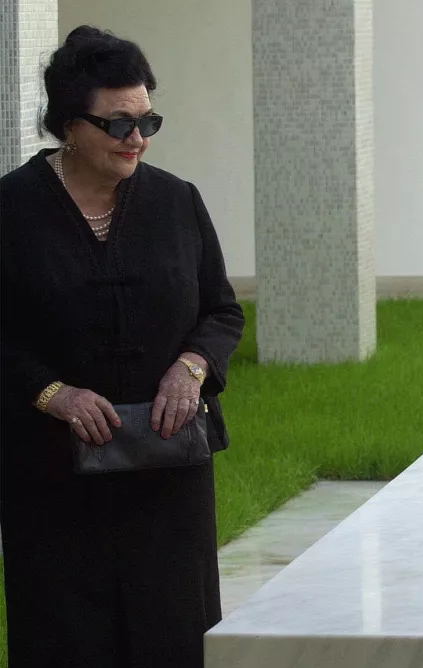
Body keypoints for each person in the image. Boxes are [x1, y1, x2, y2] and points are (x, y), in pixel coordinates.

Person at [1, 26, 245, 667]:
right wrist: (53, 393)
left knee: (172, 631)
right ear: (68, 124)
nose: (136, 139)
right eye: (117, 125)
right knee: (65, 635)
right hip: (49, 475)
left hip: (170, 473)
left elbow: (221, 311)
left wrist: (191, 371)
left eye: (147, 121)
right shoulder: (9, 211)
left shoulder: (176, 201)